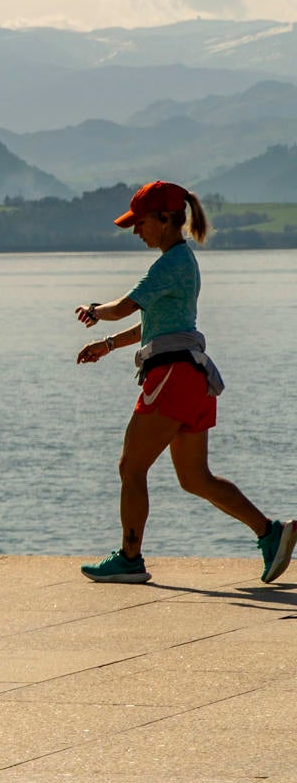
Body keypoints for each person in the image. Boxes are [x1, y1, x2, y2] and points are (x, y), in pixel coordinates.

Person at [74, 179, 292, 585]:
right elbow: (151, 324)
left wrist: (93, 310)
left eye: (140, 223)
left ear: (165, 218)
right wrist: (107, 345)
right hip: (193, 378)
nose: (136, 231)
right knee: (195, 478)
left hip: (171, 376)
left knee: (131, 466)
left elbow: (123, 308)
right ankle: (271, 532)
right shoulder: (181, 263)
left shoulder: (169, 263)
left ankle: (129, 558)